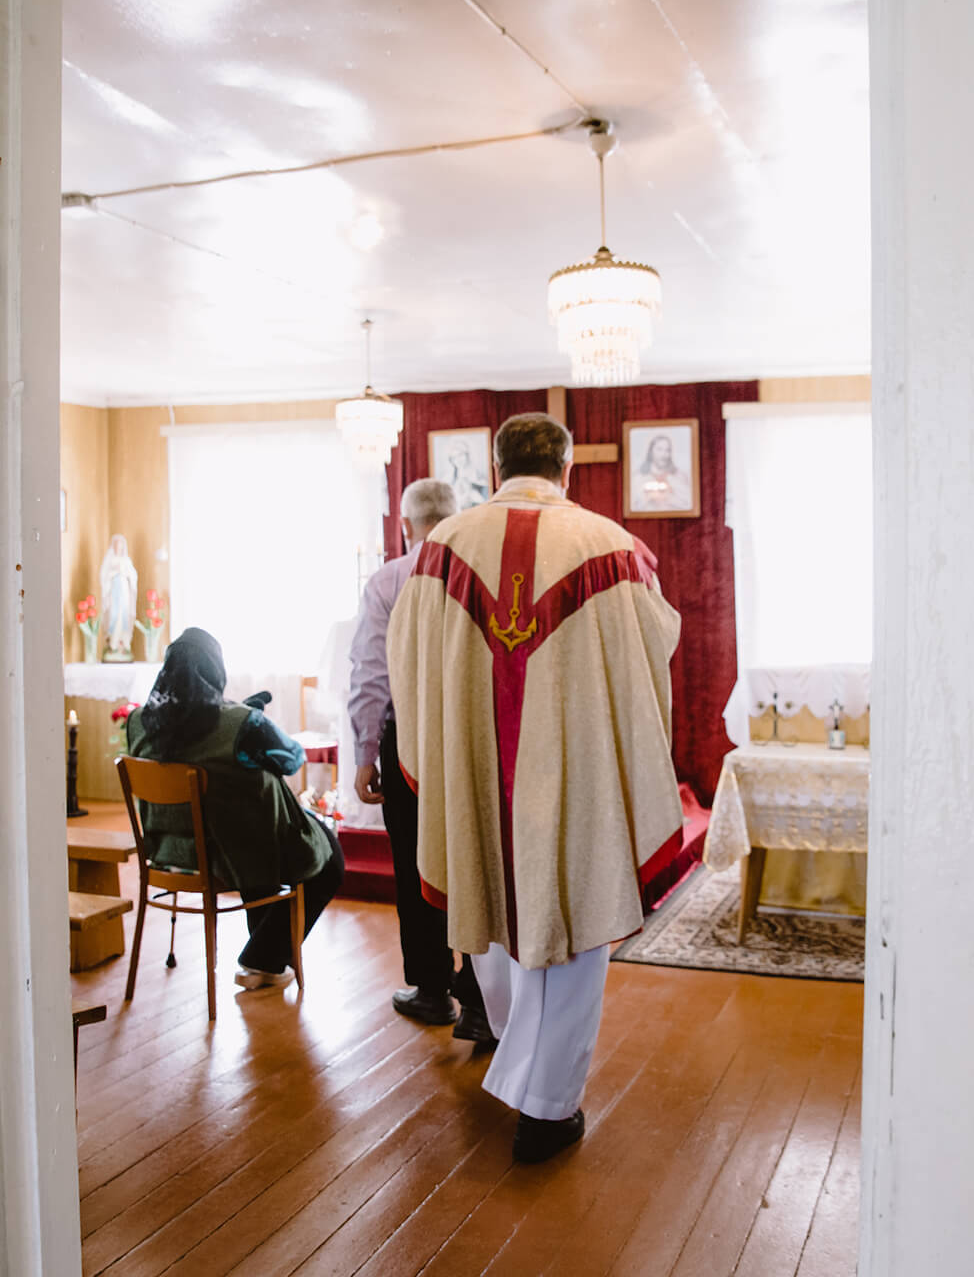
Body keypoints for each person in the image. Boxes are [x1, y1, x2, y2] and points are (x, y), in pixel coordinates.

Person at [389, 413, 683, 1162]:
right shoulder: (610, 546)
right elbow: (656, 643)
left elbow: (406, 654)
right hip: (577, 769)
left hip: (477, 770)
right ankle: (547, 1107)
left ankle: (520, 1061)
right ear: (568, 467)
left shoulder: (443, 548)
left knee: (486, 900)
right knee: (578, 920)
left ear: (495, 467)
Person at [347, 478, 494, 1046]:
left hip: (407, 737)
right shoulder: (479, 571)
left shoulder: (388, 580)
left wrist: (365, 753)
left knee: (414, 863)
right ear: (457, 517)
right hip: (472, 735)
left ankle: (432, 990)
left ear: (405, 525)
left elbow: (371, 673)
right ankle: (481, 1000)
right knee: (476, 858)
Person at [125, 627, 345, 989]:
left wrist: (244, 714)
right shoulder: (241, 724)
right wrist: (250, 717)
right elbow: (292, 759)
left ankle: (264, 962)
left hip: (170, 851)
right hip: (234, 853)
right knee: (327, 857)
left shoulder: (138, 722)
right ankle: (263, 959)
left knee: (251, 829)